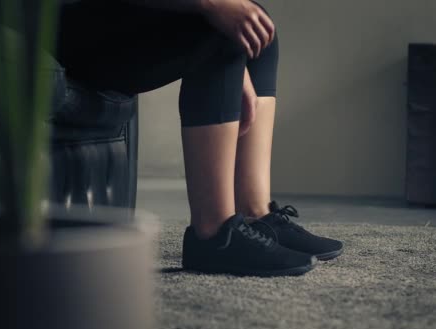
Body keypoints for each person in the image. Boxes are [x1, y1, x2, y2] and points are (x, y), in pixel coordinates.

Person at [57, 0, 343, 277]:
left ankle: (256, 215)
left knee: (257, 28)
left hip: (100, 18)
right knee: (220, 29)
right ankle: (214, 234)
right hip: (58, 25)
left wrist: (235, 59)